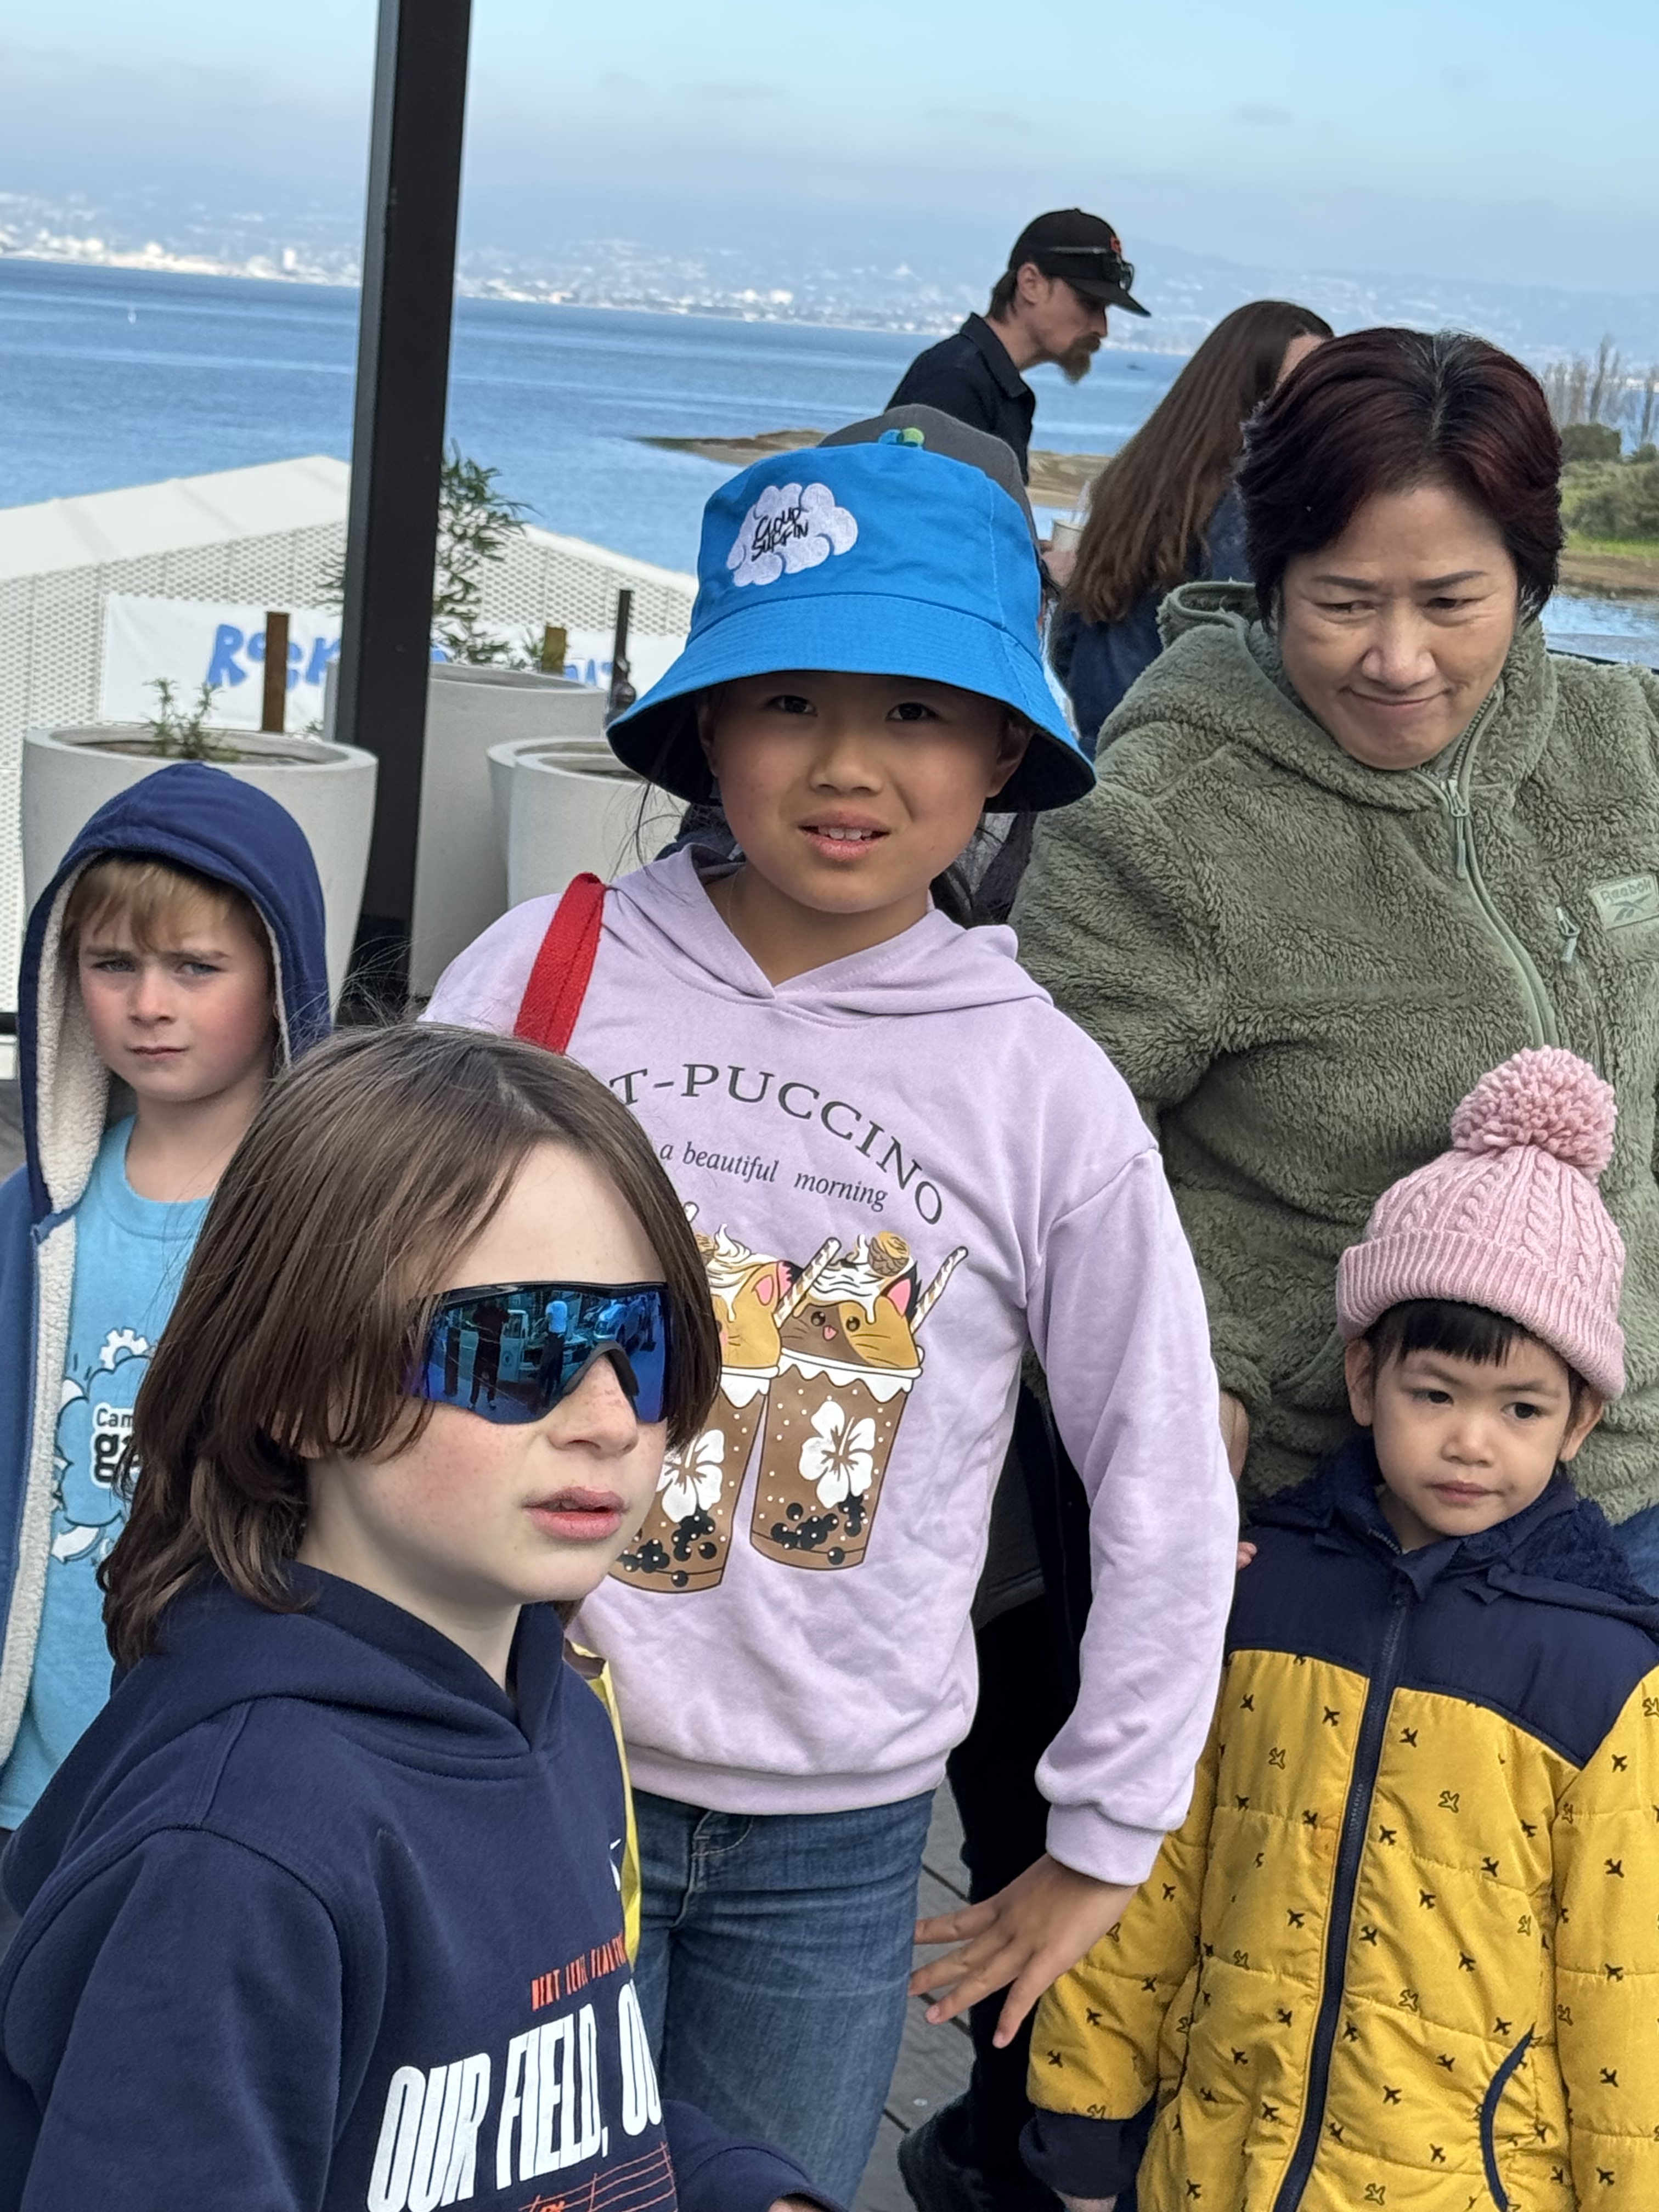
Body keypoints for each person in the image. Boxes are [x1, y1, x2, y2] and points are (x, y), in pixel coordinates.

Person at [424, 420, 1239, 2202]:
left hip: (846, 1838)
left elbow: (1163, 1469)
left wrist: (1102, 1834)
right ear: (705, 724)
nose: (848, 765)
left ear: (1005, 744)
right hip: (521, 1772)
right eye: (788, 700)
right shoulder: (540, 980)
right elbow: (354, 1314)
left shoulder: (1038, 1084)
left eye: (919, 710)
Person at [0, 1024, 836, 2212]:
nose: (606, 1417)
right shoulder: (237, 1856)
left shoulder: (557, 1704)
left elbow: (558, 2112)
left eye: (636, 1346)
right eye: (513, 1346)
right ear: (303, 1385)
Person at [1010, 326, 1659, 1598]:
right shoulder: (1161, 819)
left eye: (1453, 603)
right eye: (1346, 603)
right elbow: (1045, 1175)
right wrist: (1207, 1370)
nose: (1399, 660)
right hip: (1344, 1525)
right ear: (1270, 575)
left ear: (1529, 581)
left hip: (1638, 1482)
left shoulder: (1626, 744)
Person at [1023, 1048, 1659, 2210]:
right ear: (1365, 1378)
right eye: (1437, 1395)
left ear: (1581, 1424)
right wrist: (1083, 2115)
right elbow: (1154, 1867)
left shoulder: (1605, 1670)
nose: (1472, 1441)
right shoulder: (1257, 1590)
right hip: (1213, 2166)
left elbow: (1627, 1986)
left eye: (1521, 1408)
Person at [0, 763, 330, 1919]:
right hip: (31, 1778)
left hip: (229, 1781)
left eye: (198, 968)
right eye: (112, 964)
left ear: (280, 974)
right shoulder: (26, 1225)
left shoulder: (327, 1229)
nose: (150, 1003)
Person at [1050, 300, 1332, 753]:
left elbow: (1070, 650)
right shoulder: (1245, 507)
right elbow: (1252, 669)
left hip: (1104, 759)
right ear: (1251, 398)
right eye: (1300, 392)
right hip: (1181, 773)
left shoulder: (1136, 487)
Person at [888, 210, 1149, 481]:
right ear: (1030, 283)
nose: (1102, 328)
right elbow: (911, 509)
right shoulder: (954, 380)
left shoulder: (994, 387)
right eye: (1089, 304)